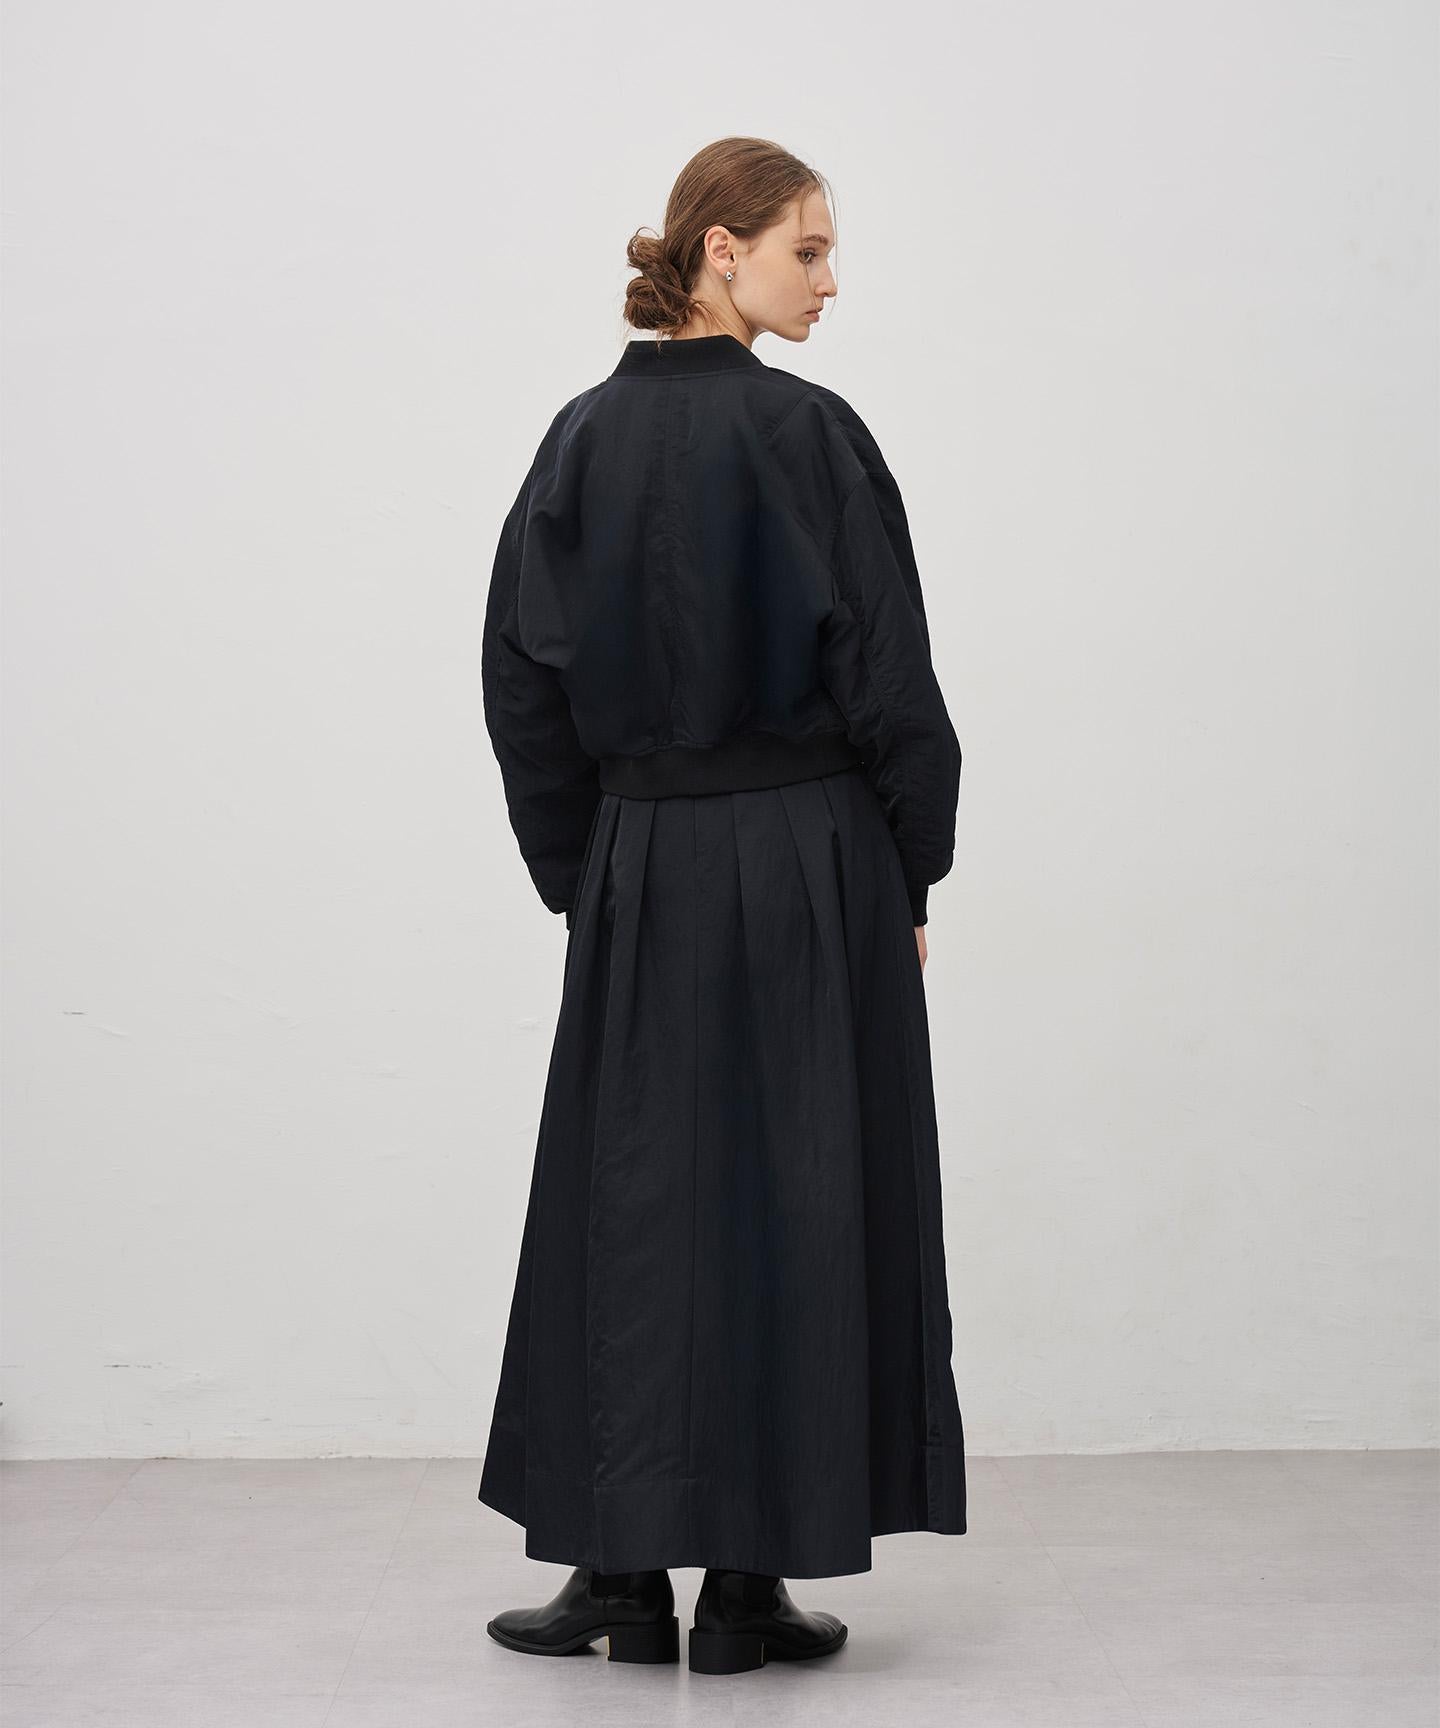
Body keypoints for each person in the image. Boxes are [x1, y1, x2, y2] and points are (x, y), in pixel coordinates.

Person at [476, 136, 967, 1676]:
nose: (830, 280)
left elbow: (521, 680)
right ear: (718, 252)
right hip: (817, 861)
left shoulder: (578, 440)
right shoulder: (812, 435)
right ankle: (746, 1589)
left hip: (642, 857)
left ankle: (620, 1578)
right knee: (799, 1197)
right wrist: (910, 866)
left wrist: (585, 871)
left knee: (629, 1203)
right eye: (807, 249)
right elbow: (890, 677)